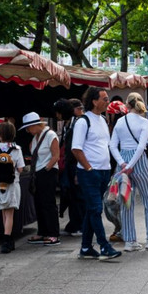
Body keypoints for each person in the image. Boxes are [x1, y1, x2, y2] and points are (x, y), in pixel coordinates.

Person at [71, 87, 121, 261]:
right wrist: (89, 169)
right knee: (96, 209)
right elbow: (76, 149)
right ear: (94, 101)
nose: (108, 101)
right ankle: (104, 246)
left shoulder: (102, 119)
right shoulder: (83, 121)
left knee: (91, 210)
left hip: (103, 170)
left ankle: (85, 247)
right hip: (89, 172)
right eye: (104, 99)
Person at [110, 93, 148, 251]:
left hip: (123, 161)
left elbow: (112, 145)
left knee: (126, 202)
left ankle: (129, 241)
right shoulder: (144, 121)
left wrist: (123, 164)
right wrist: (132, 164)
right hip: (139, 161)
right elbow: (141, 147)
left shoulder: (120, 122)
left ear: (126, 105)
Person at [21, 111, 61, 246]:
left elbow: (56, 155)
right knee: (39, 203)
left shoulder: (50, 135)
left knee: (48, 203)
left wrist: (47, 168)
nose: (28, 130)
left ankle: (53, 233)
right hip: (37, 173)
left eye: (29, 127)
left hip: (47, 173)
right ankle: (43, 231)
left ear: (36, 125)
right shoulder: (35, 137)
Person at [0, 121, 25, 254]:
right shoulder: (17, 149)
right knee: (10, 213)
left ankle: (8, 238)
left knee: (3, 211)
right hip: (12, 183)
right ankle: (7, 241)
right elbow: (21, 169)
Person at [54, 98, 84, 236]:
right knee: (71, 195)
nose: (57, 116)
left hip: (74, 165)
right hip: (69, 165)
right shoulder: (68, 124)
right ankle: (74, 223)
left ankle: (79, 225)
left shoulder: (75, 124)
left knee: (77, 196)